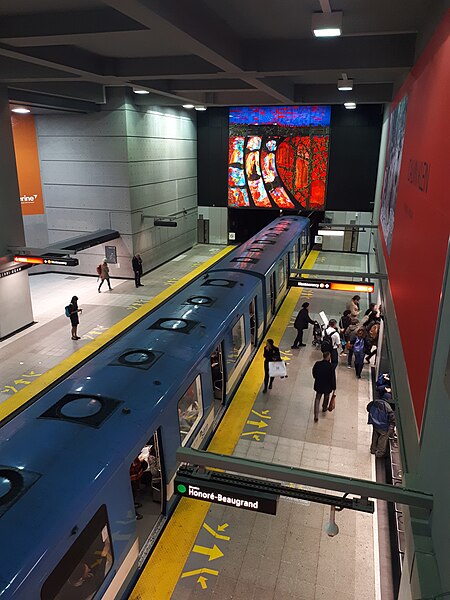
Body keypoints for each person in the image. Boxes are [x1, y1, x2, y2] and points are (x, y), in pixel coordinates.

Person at [312, 352, 336, 422]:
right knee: (326, 397)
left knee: (317, 398)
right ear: (328, 357)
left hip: (319, 384)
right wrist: (334, 387)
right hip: (327, 386)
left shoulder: (318, 364)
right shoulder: (331, 367)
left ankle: (316, 415)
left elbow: (314, 373)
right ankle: (324, 407)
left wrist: (316, 378)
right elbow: (333, 378)